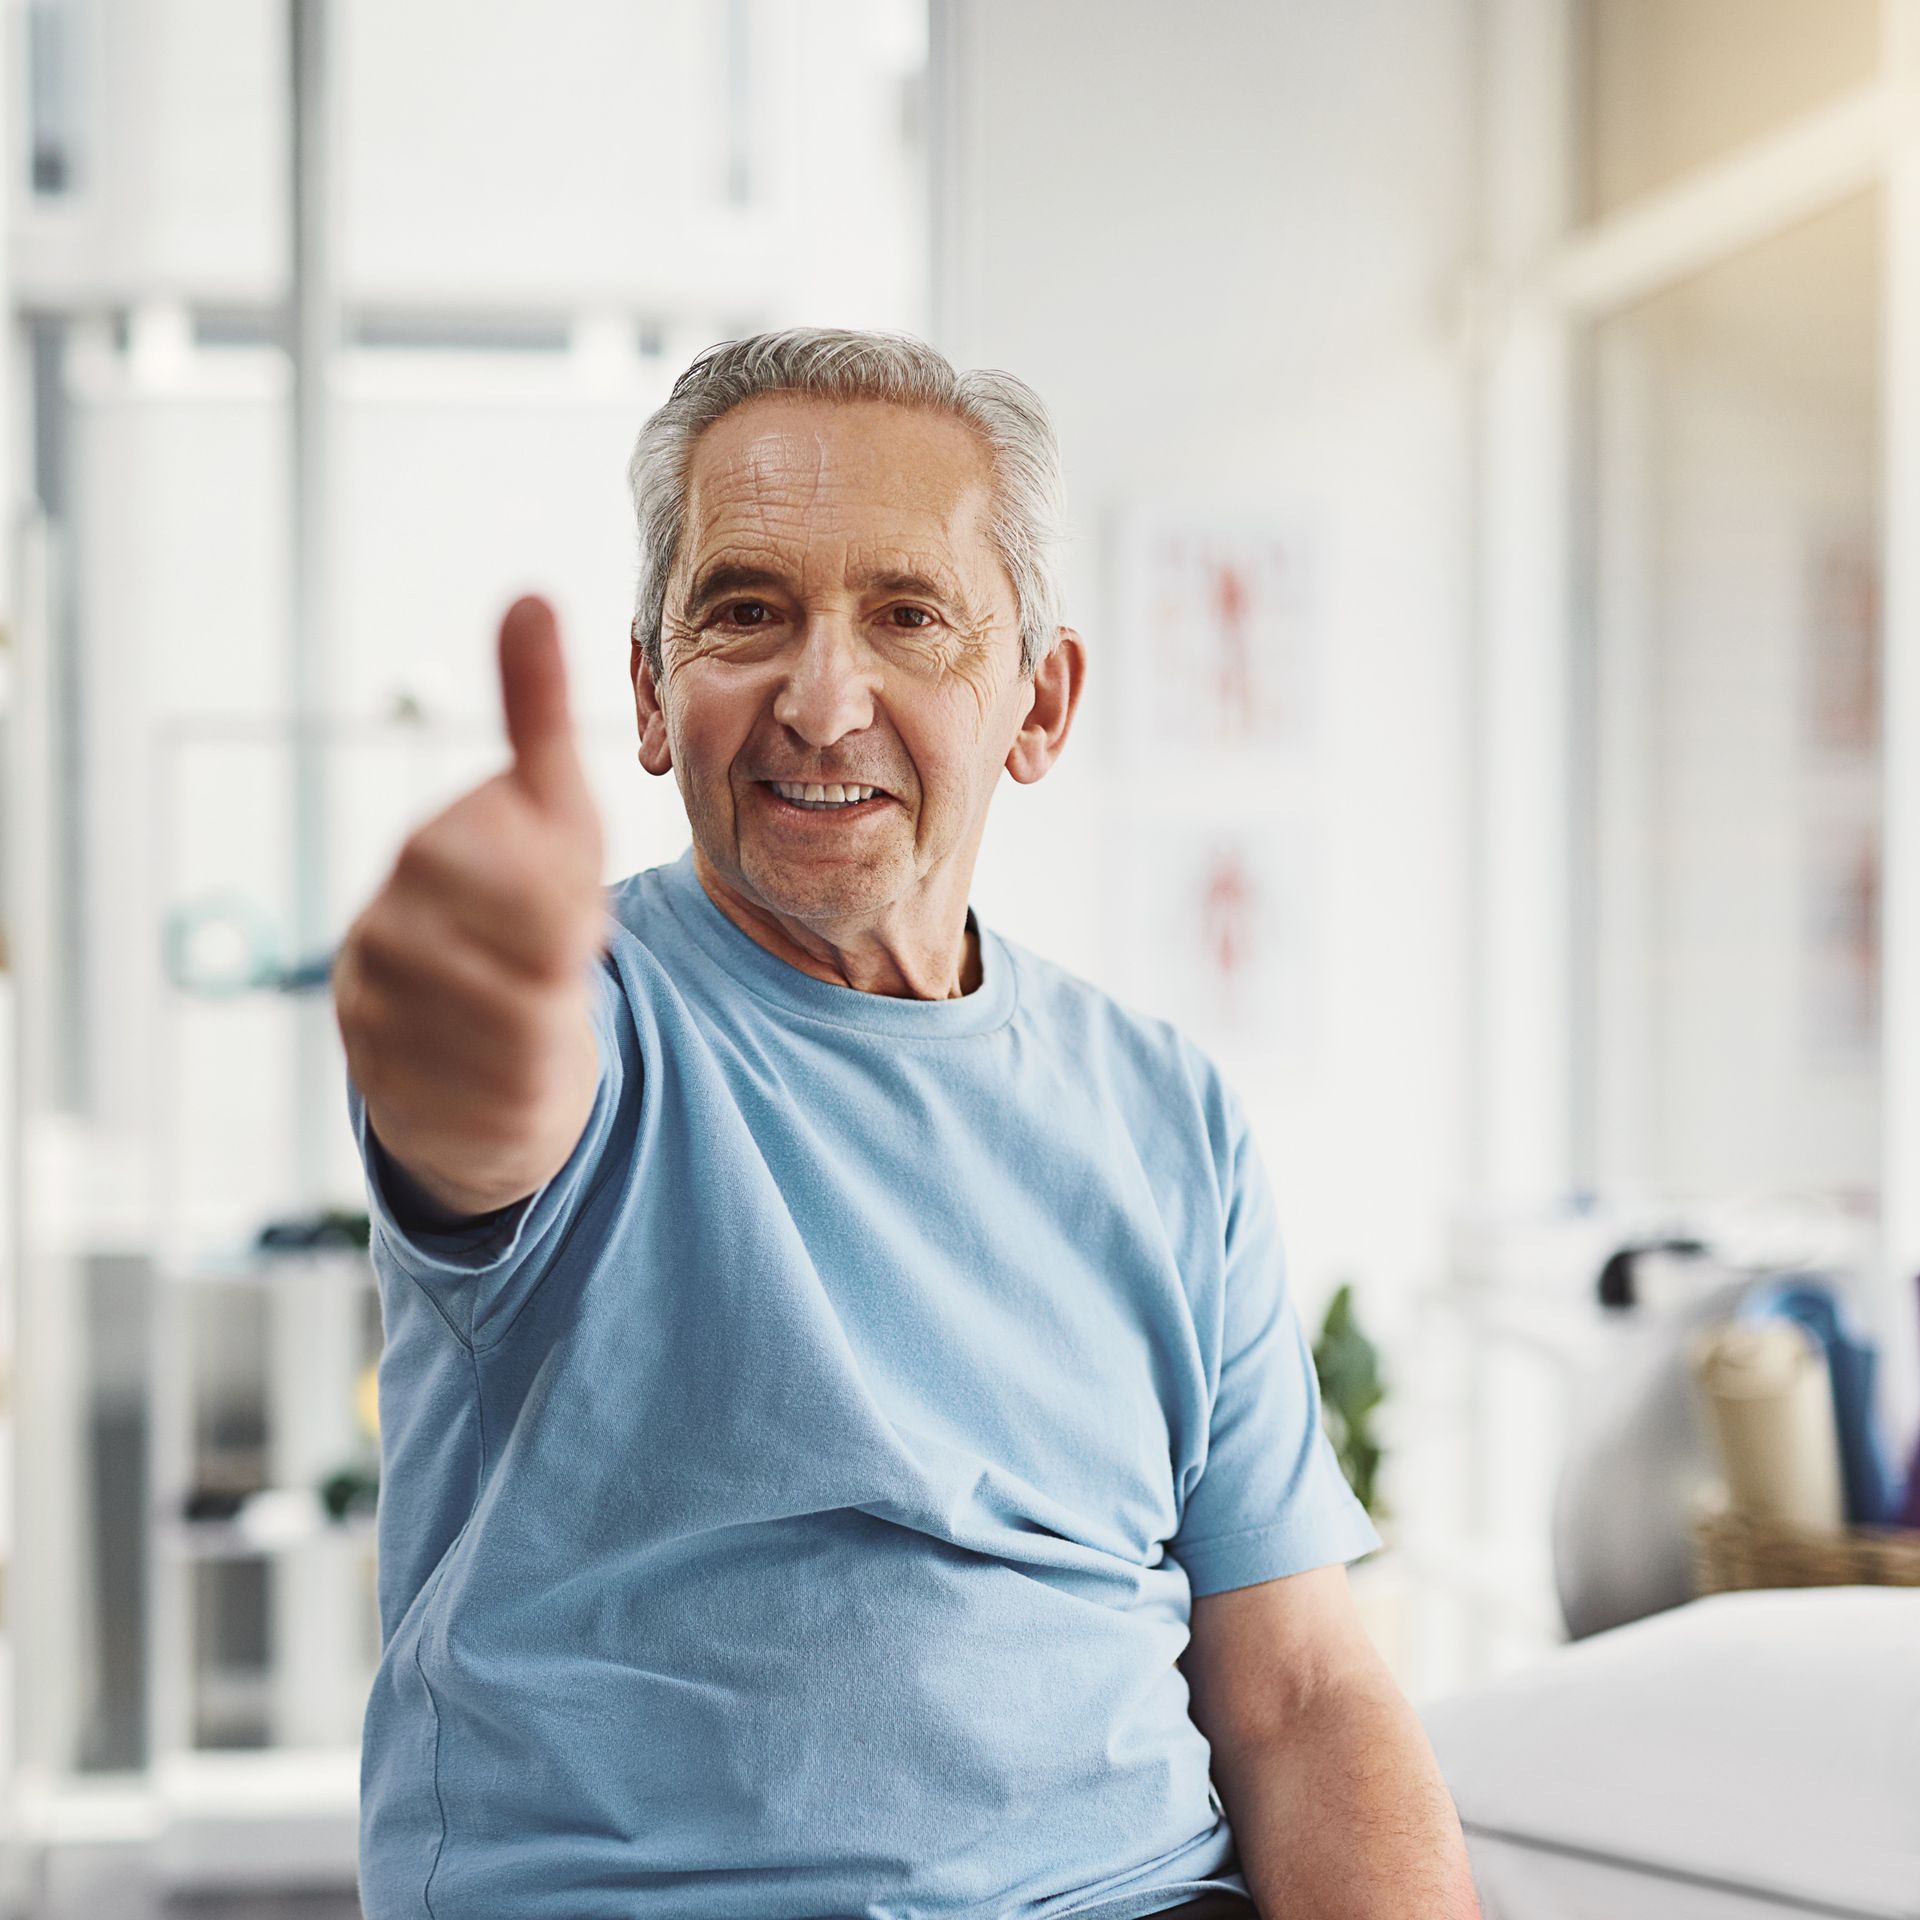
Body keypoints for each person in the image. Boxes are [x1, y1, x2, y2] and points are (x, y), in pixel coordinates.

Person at [334, 327, 1480, 1920]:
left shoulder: (1166, 1115)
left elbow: (1296, 1692)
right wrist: (463, 1024)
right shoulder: (587, 1021)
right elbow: (483, 1118)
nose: (821, 699)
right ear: (654, 696)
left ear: (1039, 701)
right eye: (745, 612)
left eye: (908, 616)